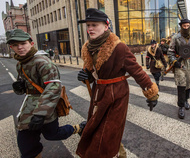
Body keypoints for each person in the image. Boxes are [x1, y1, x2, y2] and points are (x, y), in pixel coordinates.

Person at [76, 8, 159, 158]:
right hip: (98, 93)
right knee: (99, 129)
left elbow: (137, 70)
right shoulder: (88, 48)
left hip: (116, 95)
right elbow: (91, 73)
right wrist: (85, 76)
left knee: (106, 133)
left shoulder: (119, 47)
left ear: (106, 26)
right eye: (88, 25)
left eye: (94, 25)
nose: (90, 29)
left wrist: (152, 94)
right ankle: (120, 154)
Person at [6, 29, 84, 158]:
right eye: (15, 45)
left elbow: (53, 88)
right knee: (26, 145)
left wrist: (41, 114)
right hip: (29, 107)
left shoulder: (42, 62)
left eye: (23, 43)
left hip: (45, 107)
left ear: (31, 43)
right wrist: (19, 87)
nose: (19, 47)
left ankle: (79, 128)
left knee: (53, 134)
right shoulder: (21, 63)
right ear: (11, 47)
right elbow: (29, 88)